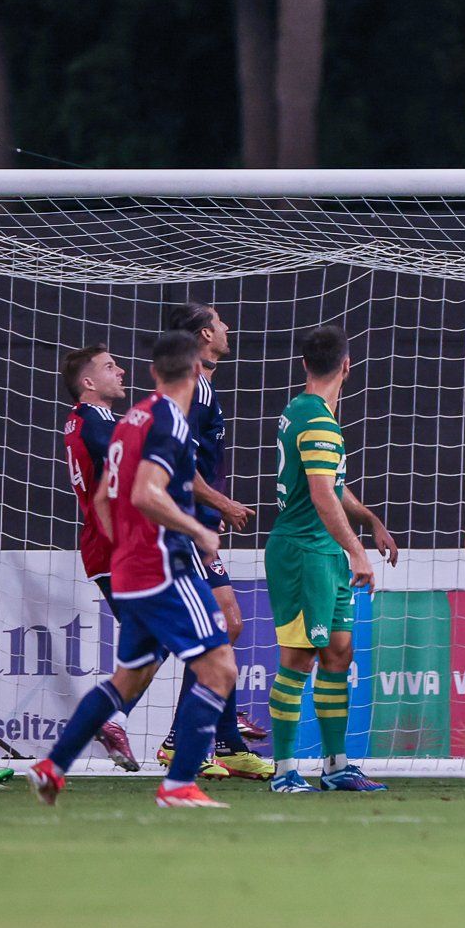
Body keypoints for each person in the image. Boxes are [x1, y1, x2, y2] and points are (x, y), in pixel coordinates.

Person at [31, 332, 240, 809]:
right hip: (164, 566)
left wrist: (125, 545)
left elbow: (105, 497)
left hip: (129, 567)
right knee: (220, 665)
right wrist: (199, 531)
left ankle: (52, 765)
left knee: (128, 679)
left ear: (153, 372)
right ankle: (178, 782)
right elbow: (146, 493)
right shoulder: (169, 420)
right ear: (195, 373)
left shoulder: (130, 421)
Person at [264, 323, 394, 793]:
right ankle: (282, 771)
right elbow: (321, 497)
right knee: (298, 657)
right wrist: (358, 551)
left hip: (323, 551)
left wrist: (370, 519)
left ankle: (336, 766)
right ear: (347, 366)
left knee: (339, 652)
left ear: (303, 365)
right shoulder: (318, 422)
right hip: (303, 552)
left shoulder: (305, 411)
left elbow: (333, 488)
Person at [157, 302, 270, 780]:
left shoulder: (203, 386)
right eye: (221, 322)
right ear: (206, 334)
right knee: (216, 627)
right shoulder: (192, 389)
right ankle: (182, 739)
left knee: (228, 626)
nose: (228, 328)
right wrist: (219, 505)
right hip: (182, 526)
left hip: (198, 525)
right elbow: (180, 462)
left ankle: (226, 740)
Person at [59, 342, 143, 770]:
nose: (122, 371)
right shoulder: (95, 422)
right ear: (88, 382)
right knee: (161, 636)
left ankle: (112, 721)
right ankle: (109, 721)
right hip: (116, 545)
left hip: (107, 545)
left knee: (153, 638)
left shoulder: (84, 422)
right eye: (111, 367)